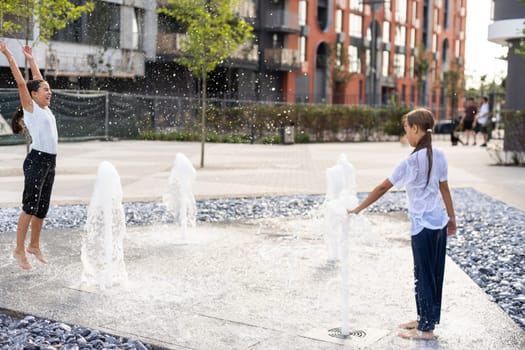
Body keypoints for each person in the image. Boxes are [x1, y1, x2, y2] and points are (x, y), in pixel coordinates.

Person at [347, 108, 457, 340]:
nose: (406, 134)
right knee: (434, 274)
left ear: (416, 129)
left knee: (423, 274)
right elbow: (444, 188)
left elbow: (382, 187)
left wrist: (358, 208)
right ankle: (425, 318)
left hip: (423, 227)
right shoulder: (440, 155)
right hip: (438, 223)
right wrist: (451, 219)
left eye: (406, 129)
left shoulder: (411, 162)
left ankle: (426, 330)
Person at [0, 40, 58, 270]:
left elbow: (37, 80)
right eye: (45, 90)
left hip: (50, 161)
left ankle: (34, 245)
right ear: (33, 95)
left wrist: (33, 60)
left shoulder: (45, 108)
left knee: (42, 207)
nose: (49, 92)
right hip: (36, 160)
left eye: (49, 89)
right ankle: (18, 250)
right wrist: (7, 54)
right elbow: (23, 82)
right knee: (29, 207)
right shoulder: (31, 108)